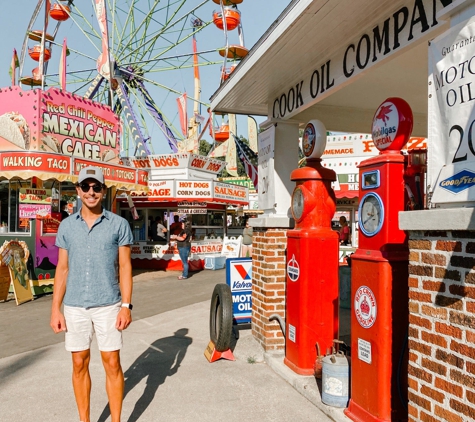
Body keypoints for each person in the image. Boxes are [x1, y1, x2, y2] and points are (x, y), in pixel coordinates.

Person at [50, 166, 134, 422]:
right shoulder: (66, 226)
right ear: (77, 191)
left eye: (96, 187)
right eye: (85, 187)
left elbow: (125, 267)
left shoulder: (119, 224)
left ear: (103, 191)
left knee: (111, 363)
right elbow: (62, 269)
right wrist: (56, 308)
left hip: (109, 304)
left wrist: (126, 306)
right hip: (75, 305)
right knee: (79, 364)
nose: (91, 192)